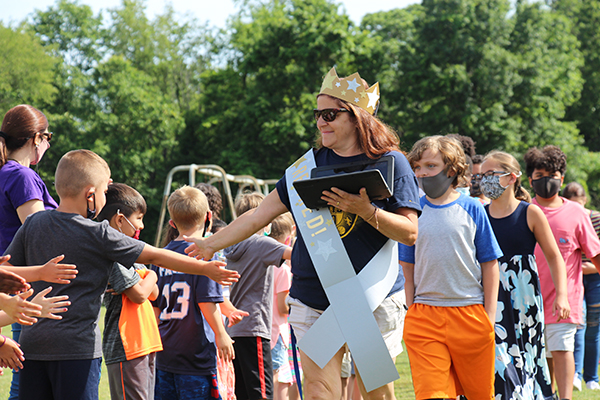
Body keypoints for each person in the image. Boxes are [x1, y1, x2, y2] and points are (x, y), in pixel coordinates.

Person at [185, 67, 421, 400]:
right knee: (317, 390)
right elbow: (260, 214)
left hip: (372, 296)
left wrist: (366, 211)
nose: (321, 122)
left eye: (329, 114)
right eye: (317, 115)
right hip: (312, 297)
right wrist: (211, 244)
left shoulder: (392, 162)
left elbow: (410, 233)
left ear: (356, 118)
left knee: (375, 392)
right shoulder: (304, 168)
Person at [3, 149, 239, 400]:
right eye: (106, 191)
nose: (106, 197)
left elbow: (4, 271)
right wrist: (204, 268)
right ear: (90, 195)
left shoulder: (33, 224)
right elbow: (155, 255)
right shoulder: (98, 234)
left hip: (31, 345)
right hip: (77, 351)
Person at [399, 135, 502, 400]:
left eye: (431, 166)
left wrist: (488, 318)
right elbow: (407, 268)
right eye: (418, 167)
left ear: (452, 169)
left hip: (471, 315)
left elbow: (490, 265)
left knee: (480, 395)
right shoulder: (412, 213)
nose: (423, 173)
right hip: (424, 317)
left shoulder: (474, 209)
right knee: (431, 394)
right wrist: (411, 310)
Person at [480, 150, 569, 398]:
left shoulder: (529, 213)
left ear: (511, 178)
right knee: (498, 362)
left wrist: (562, 295)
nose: (484, 179)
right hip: (489, 298)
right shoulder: (480, 215)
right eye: (482, 175)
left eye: (491, 174)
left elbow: (554, 256)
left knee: (526, 357)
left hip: (524, 300)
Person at [524, 145, 600, 400]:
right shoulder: (522, 212)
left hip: (565, 300)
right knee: (540, 357)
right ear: (530, 178)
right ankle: (548, 395)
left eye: (552, 174)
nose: (546, 179)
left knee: (562, 349)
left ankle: (565, 398)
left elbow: (596, 254)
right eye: (539, 174)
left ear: (561, 178)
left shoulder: (576, 213)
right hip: (527, 300)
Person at [0, 104, 57, 400]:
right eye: (48, 138)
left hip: (13, 285)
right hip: (27, 288)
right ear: (36, 138)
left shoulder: (5, 173)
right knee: (28, 387)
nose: (47, 145)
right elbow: (40, 234)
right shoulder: (22, 176)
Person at [96, 183, 162, 400]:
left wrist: (148, 278)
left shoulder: (132, 256)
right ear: (120, 219)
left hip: (146, 341)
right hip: (127, 345)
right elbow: (140, 294)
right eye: (139, 218)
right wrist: (152, 274)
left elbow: (154, 294)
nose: (141, 225)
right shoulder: (114, 257)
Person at [223, 192, 291, 400]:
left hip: (234, 329)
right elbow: (295, 253)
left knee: (242, 392)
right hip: (254, 328)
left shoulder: (230, 244)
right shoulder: (260, 243)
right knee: (261, 393)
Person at [561, 182, 600, 391]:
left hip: (594, 279)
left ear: (585, 201)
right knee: (577, 326)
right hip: (572, 277)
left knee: (593, 328)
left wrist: (590, 268)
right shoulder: (566, 218)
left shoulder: (596, 219)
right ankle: (575, 374)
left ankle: (592, 377)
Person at [268, 212, 297, 400]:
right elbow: (282, 307)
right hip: (277, 333)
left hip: (263, 330)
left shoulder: (264, 263)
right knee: (277, 380)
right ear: (288, 239)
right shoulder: (284, 270)